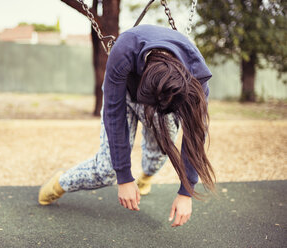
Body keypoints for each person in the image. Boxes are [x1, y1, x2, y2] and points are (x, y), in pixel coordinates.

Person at [38, 24, 216, 227]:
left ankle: (146, 175)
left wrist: (187, 192)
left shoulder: (197, 76)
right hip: (125, 94)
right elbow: (114, 114)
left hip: (166, 97)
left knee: (159, 157)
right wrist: (123, 177)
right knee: (107, 171)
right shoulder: (124, 49)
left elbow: (195, 136)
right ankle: (61, 183)